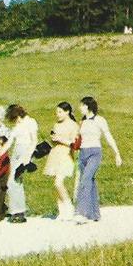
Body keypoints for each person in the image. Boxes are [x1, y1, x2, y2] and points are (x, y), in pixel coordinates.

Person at [75, 96, 122, 224]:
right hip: (83, 153)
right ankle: (95, 213)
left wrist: (116, 153)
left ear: (88, 106)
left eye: (82, 106)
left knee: (85, 180)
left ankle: (82, 213)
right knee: (90, 181)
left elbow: (108, 136)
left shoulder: (100, 120)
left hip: (95, 152)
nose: (80, 108)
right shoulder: (82, 122)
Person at [2, 104, 38, 223]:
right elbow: (9, 142)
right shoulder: (18, 125)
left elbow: (34, 140)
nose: (15, 121)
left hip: (25, 152)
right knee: (13, 181)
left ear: (18, 115)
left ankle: (18, 211)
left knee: (14, 181)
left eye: (14, 118)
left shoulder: (31, 122)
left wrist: (27, 158)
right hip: (16, 152)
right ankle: (17, 210)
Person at [45, 102, 79, 220]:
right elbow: (53, 140)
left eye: (60, 112)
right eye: (56, 112)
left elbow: (74, 143)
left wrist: (61, 139)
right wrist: (53, 139)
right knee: (56, 184)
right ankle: (62, 211)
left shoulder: (73, 125)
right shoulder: (56, 124)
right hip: (55, 154)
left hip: (66, 155)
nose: (58, 115)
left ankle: (69, 206)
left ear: (67, 112)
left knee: (58, 182)